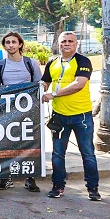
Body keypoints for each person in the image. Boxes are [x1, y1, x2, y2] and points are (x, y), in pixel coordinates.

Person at [42, 32, 101, 201]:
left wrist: (53, 94)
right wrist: (39, 88)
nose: (66, 44)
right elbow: (44, 82)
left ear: (76, 44)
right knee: (58, 153)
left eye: (70, 41)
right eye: (63, 41)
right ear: (58, 44)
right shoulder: (52, 62)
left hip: (81, 115)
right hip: (59, 116)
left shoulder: (83, 61)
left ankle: (92, 188)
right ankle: (57, 186)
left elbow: (79, 84)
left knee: (87, 153)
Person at [0, 32, 43, 192]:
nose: (11, 45)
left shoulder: (31, 63)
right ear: (4, 45)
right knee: (6, 143)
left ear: (20, 44)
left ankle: (30, 178)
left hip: (28, 111)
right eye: (7, 42)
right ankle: (5, 177)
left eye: (14, 42)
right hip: (7, 112)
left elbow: (39, 86)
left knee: (29, 143)